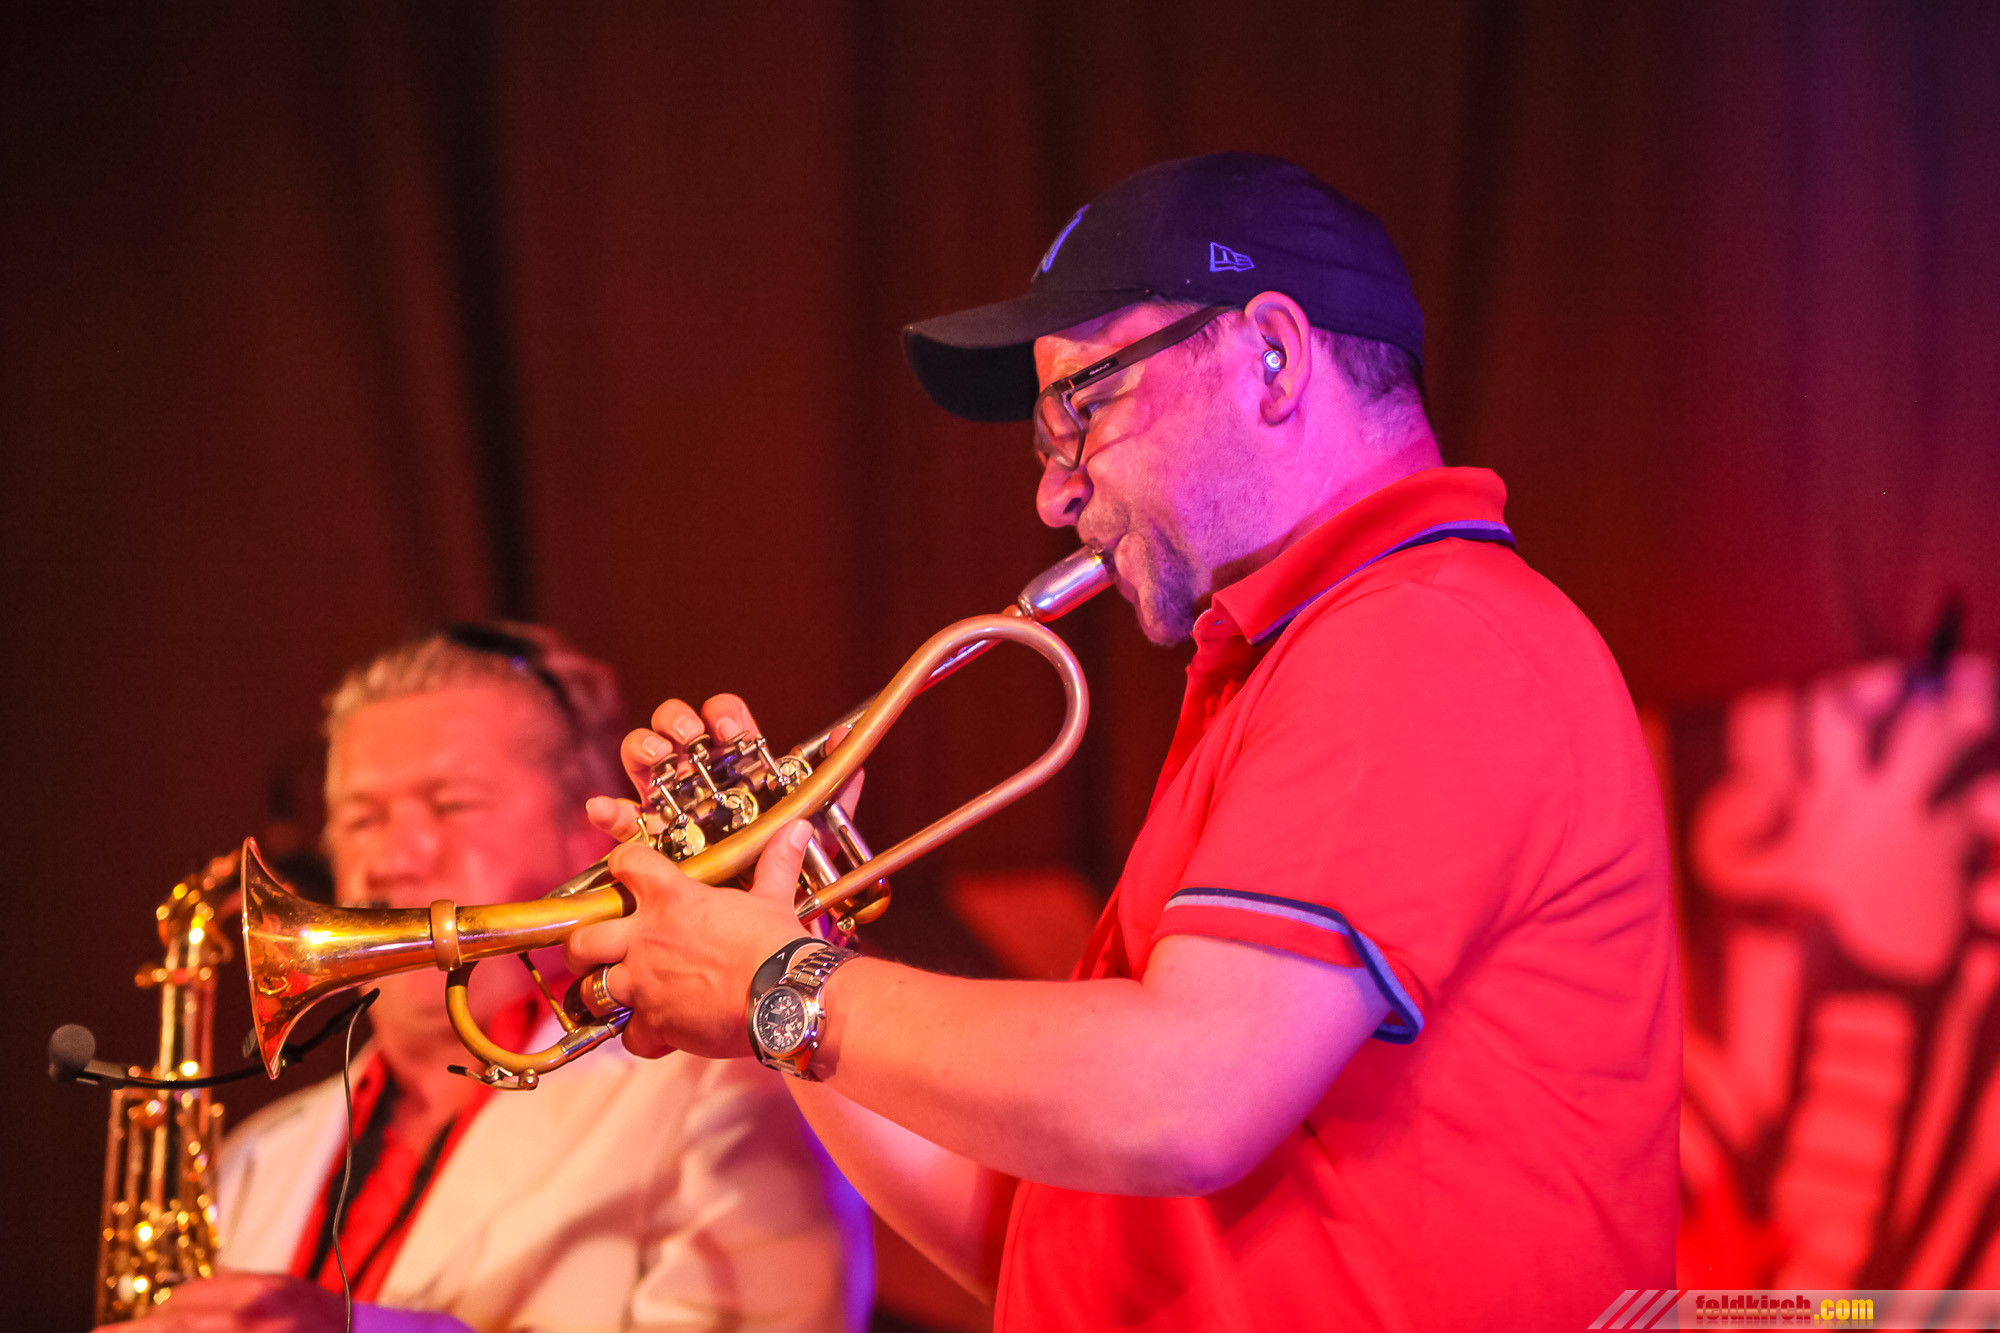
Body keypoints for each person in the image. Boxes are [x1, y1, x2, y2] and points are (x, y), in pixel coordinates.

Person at [564, 153, 1681, 1330]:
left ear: (1272, 354)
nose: (1053, 496)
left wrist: (781, 984)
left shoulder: (1420, 630)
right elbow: (1034, 1244)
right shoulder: (1294, 662)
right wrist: (777, 940)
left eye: (1080, 408)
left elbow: (1181, 1093)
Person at [122, 625, 869, 1333]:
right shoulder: (254, 1159)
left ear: (589, 834)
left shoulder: (731, 1097)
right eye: (359, 818)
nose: (391, 861)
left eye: (451, 804)